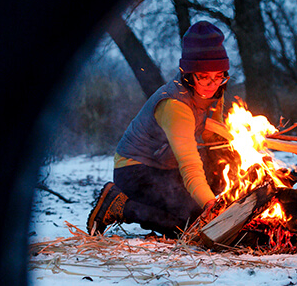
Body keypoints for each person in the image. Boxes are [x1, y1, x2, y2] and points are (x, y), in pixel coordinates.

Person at [87, 21, 230, 237]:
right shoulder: (175, 105)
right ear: (189, 73)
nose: (212, 84)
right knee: (191, 226)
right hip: (137, 170)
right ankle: (117, 204)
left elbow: (211, 141)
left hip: (167, 168)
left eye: (218, 76)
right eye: (204, 77)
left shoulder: (215, 93)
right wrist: (211, 204)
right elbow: (190, 165)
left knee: (217, 189)